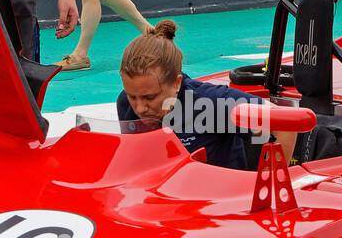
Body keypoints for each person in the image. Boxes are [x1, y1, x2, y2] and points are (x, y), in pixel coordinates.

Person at [117, 21, 295, 167]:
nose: (139, 108)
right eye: (132, 96)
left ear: (177, 83)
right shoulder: (124, 104)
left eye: (150, 97)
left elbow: (285, 123)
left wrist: (267, 187)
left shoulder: (210, 103)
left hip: (220, 202)